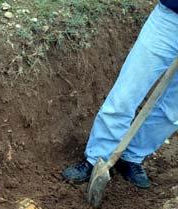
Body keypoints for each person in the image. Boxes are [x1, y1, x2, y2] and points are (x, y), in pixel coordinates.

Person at [63, 0, 178, 188]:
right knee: (126, 94)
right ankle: (97, 159)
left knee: (172, 112)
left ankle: (131, 157)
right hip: (171, 20)